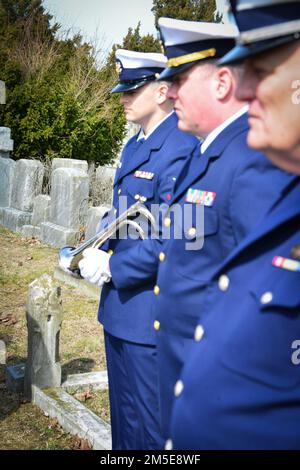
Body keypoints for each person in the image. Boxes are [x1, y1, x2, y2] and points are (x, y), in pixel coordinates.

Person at [152, 17, 295, 441]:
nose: (170, 91)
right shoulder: (204, 153)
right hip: (188, 369)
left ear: (220, 83)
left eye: (179, 78)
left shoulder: (251, 158)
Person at [79, 49, 198, 450]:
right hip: (119, 309)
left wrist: (114, 266)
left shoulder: (181, 148)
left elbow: (174, 236)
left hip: (149, 312)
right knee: (124, 427)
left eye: (133, 89)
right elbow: (122, 214)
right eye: (123, 90)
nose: (124, 98)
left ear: (163, 90)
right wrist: (92, 248)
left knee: (152, 430)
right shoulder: (134, 146)